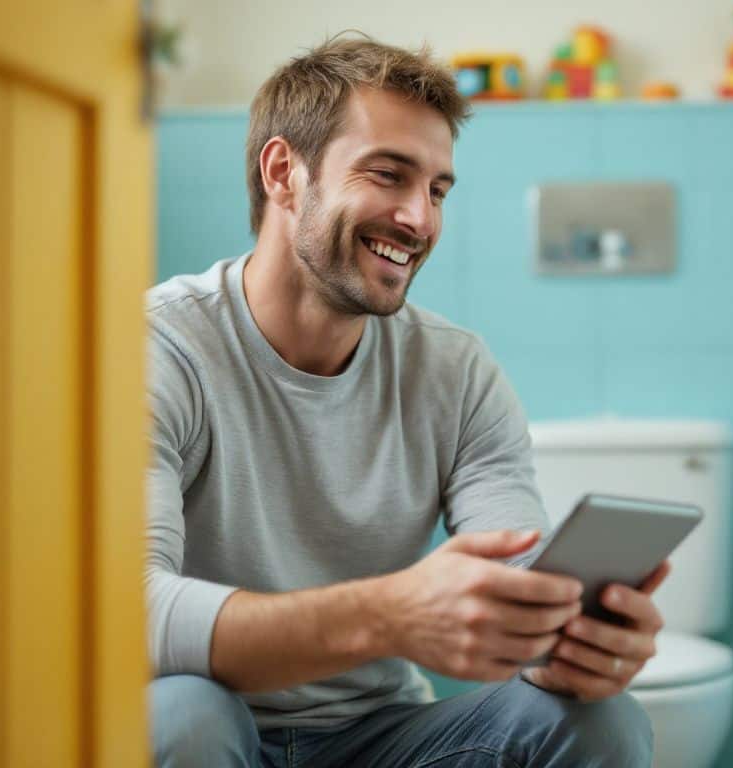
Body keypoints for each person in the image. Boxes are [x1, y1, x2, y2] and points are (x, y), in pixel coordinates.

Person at [146, 36, 667, 768]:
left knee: (601, 720)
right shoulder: (159, 349)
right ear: (283, 172)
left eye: (437, 191)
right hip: (212, 720)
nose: (419, 220)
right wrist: (390, 615)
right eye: (388, 175)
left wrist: (564, 646)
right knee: (183, 712)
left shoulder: (457, 372)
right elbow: (125, 611)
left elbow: (513, 571)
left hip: (384, 739)